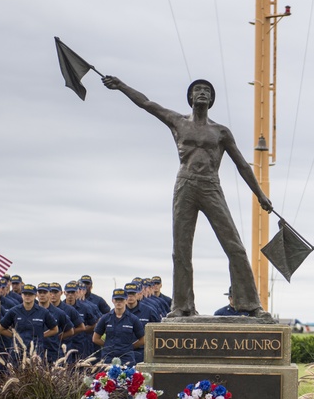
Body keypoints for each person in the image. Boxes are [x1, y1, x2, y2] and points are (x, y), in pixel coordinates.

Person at [101, 75, 272, 318]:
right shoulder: (177, 121)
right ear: (190, 97)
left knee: (234, 246)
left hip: (211, 186)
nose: (202, 93)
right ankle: (182, 306)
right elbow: (147, 104)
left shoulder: (221, 132)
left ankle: (250, 305)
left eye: (207, 91)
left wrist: (260, 195)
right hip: (185, 185)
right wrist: (121, 86)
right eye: (197, 90)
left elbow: (242, 165)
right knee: (181, 249)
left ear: (211, 99)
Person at [0, 284, 58, 365]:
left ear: (35, 296)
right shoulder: (14, 311)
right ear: (22, 295)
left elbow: (55, 329)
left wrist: (41, 336)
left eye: (30, 294)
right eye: (25, 294)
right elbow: (1, 328)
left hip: (36, 353)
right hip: (17, 353)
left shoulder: (43, 312)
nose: (27, 296)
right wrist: (15, 337)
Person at [93, 288, 145, 367]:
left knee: (127, 378)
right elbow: (95, 338)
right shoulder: (105, 318)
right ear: (112, 300)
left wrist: (129, 347)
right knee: (106, 378)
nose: (119, 302)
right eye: (117, 300)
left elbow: (143, 339)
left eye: (121, 299)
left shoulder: (133, 319)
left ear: (126, 300)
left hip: (127, 357)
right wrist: (108, 346)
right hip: (108, 357)